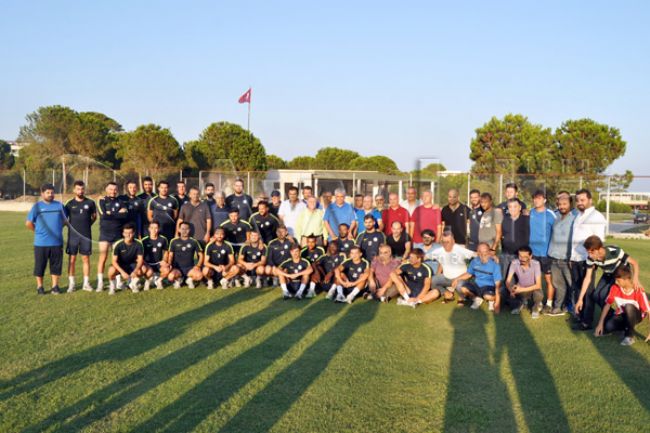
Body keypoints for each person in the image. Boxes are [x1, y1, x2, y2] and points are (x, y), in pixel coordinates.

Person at [574, 235, 641, 331]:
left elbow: (634, 263)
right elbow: (587, 278)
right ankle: (613, 317)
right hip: (608, 273)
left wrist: (635, 278)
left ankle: (615, 320)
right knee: (596, 295)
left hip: (619, 274)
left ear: (599, 249)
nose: (590, 255)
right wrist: (580, 299)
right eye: (588, 252)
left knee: (603, 296)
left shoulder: (615, 251)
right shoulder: (591, 259)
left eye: (592, 252)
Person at [569, 188, 607, 319]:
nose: (579, 202)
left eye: (582, 200)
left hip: (587, 259)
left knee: (588, 291)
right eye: (577, 200)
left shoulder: (597, 217)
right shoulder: (578, 216)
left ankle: (587, 320)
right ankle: (579, 316)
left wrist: (594, 260)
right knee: (578, 288)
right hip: (575, 259)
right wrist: (572, 258)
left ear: (590, 200)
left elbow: (599, 241)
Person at [26, 183, 66, 295]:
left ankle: (55, 287)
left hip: (56, 242)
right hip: (41, 243)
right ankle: (40, 287)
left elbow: (65, 220)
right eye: (48, 192)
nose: (50, 194)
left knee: (56, 266)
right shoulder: (37, 206)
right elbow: (28, 223)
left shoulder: (59, 206)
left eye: (52, 192)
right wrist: (38, 231)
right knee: (40, 266)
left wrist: (57, 229)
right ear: (42, 193)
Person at [594, 265, 650, 346]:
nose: (616, 282)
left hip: (636, 316)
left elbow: (648, 311)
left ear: (626, 280)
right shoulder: (615, 288)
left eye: (618, 280)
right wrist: (600, 324)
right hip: (622, 314)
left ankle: (629, 336)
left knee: (628, 306)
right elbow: (607, 305)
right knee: (609, 326)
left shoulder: (638, 290)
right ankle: (625, 328)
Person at [64, 180, 97, 292]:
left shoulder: (91, 203)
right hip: (73, 236)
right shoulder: (69, 204)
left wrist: (86, 225)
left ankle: (86, 284)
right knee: (72, 259)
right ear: (74, 190)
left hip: (86, 236)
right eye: (78, 189)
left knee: (85, 259)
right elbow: (64, 219)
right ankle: (71, 284)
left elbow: (94, 217)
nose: (80, 191)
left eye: (82, 189)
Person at [97, 182, 129, 292]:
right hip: (105, 234)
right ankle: (100, 283)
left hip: (117, 234)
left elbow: (125, 215)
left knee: (117, 259)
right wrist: (117, 213)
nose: (113, 191)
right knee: (103, 258)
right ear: (106, 189)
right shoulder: (102, 200)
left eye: (115, 189)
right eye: (111, 189)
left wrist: (110, 213)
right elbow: (103, 215)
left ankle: (118, 282)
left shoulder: (121, 201)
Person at [547, 193, 576, 316]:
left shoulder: (575, 218)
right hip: (554, 257)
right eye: (560, 204)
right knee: (558, 285)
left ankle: (574, 309)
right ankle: (558, 307)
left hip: (567, 259)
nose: (562, 206)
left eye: (565, 204)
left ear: (570, 204)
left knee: (572, 285)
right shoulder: (555, 217)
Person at [528, 190, 556, 314]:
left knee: (549, 280)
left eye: (539, 198)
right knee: (535, 279)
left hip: (546, 254)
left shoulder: (551, 215)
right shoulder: (530, 213)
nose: (536, 200)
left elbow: (557, 232)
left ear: (544, 200)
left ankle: (549, 303)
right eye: (535, 198)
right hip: (533, 254)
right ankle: (537, 301)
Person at [431, 232, 477, 305]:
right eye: (443, 241)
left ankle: (462, 297)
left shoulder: (460, 249)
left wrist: (490, 255)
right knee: (432, 280)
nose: (445, 244)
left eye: (448, 242)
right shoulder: (440, 250)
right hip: (446, 277)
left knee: (460, 286)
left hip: (460, 278)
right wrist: (437, 275)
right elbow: (440, 263)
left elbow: (476, 255)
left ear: (453, 241)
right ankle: (448, 294)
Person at [454, 243, 502, 312]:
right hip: (476, 285)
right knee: (463, 288)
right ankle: (477, 299)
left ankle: (491, 301)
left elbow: (497, 285)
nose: (483, 254)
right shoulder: (474, 261)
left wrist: (497, 302)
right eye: (480, 251)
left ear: (489, 252)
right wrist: (456, 279)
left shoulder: (495, 265)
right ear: (477, 252)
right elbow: (468, 274)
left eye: (485, 251)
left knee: (488, 296)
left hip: (488, 287)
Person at [505, 246, 544, 318]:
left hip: (533, 289)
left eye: (525, 257)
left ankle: (535, 308)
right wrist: (511, 290)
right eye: (520, 256)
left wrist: (521, 289)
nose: (522, 259)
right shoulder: (514, 263)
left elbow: (538, 285)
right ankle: (521, 303)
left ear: (530, 256)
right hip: (520, 288)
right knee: (509, 298)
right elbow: (508, 281)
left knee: (538, 294)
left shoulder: (536, 264)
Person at [108, 223, 145, 295]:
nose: (128, 235)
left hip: (132, 265)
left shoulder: (138, 243)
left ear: (133, 233)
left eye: (130, 233)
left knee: (143, 269)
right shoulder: (118, 244)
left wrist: (135, 271)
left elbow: (140, 260)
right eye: (126, 233)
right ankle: (112, 286)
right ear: (123, 234)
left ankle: (133, 284)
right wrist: (122, 272)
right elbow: (114, 261)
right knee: (111, 270)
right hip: (121, 265)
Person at [168, 222, 204, 289]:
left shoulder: (193, 241)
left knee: (200, 276)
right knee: (170, 277)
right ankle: (178, 280)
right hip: (177, 268)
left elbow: (201, 255)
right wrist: (169, 264)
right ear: (179, 230)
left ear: (189, 230)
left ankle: (189, 280)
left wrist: (198, 265)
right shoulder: (173, 241)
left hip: (190, 268)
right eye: (182, 229)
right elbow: (170, 255)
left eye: (186, 229)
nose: (184, 231)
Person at [500, 198, 529, 281]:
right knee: (506, 279)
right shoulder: (504, 220)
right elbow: (502, 234)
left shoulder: (526, 219)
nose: (512, 209)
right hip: (506, 254)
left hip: (520, 256)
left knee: (520, 280)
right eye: (510, 207)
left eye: (515, 206)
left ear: (520, 207)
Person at [141, 219, 170, 290]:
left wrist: (164, 260)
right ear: (149, 229)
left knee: (167, 269)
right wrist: (144, 263)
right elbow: (140, 255)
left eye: (156, 228)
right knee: (147, 271)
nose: (154, 230)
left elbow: (166, 251)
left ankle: (159, 281)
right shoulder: (144, 240)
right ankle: (148, 281)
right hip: (147, 263)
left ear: (159, 229)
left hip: (158, 263)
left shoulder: (163, 239)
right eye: (152, 228)